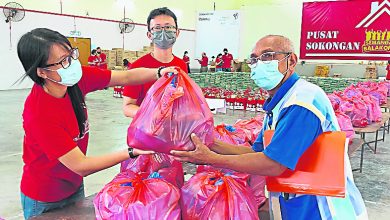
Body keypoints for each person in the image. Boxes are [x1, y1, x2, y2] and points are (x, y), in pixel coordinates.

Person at [170, 35, 368, 219]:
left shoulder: (302, 102)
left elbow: (273, 163)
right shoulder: (280, 102)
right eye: (254, 59)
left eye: (267, 56)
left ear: (291, 61)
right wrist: (210, 143)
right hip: (299, 199)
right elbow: (255, 152)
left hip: (324, 206)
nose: (259, 64)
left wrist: (212, 159)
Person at [17, 28, 178, 219]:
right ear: (42, 72)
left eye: (71, 55)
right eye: (63, 61)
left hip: (74, 186)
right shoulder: (40, 113)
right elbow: (82, 165)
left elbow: (125, 77)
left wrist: (159, 72)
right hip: (45, 197)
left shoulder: (75, 80)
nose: (72, 64)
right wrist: (130, 152)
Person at [122, 7, 188, 118]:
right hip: (145, 131)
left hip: (173, 131)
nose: (163, 31)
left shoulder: (181, 65)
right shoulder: (138, 66)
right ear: (149, 35)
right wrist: (152, 115)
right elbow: (127, 107)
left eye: (168, 27)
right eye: (157, 28)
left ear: (177, 32)